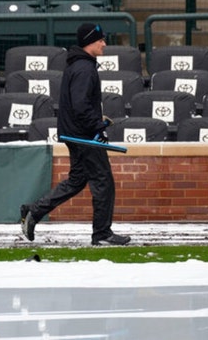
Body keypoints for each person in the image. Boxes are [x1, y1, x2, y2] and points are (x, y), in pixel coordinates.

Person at [19, 23, 131, 246]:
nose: (104, 44)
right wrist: (97, 126)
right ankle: (102, 234)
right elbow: (80, 106)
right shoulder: (84, 68)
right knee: (103, 181)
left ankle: (34, 210)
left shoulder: (79, 65)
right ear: (90, 42)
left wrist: (95, 125)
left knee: (77, 180)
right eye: (101, 40)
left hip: (76, 133)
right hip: (83, 136)